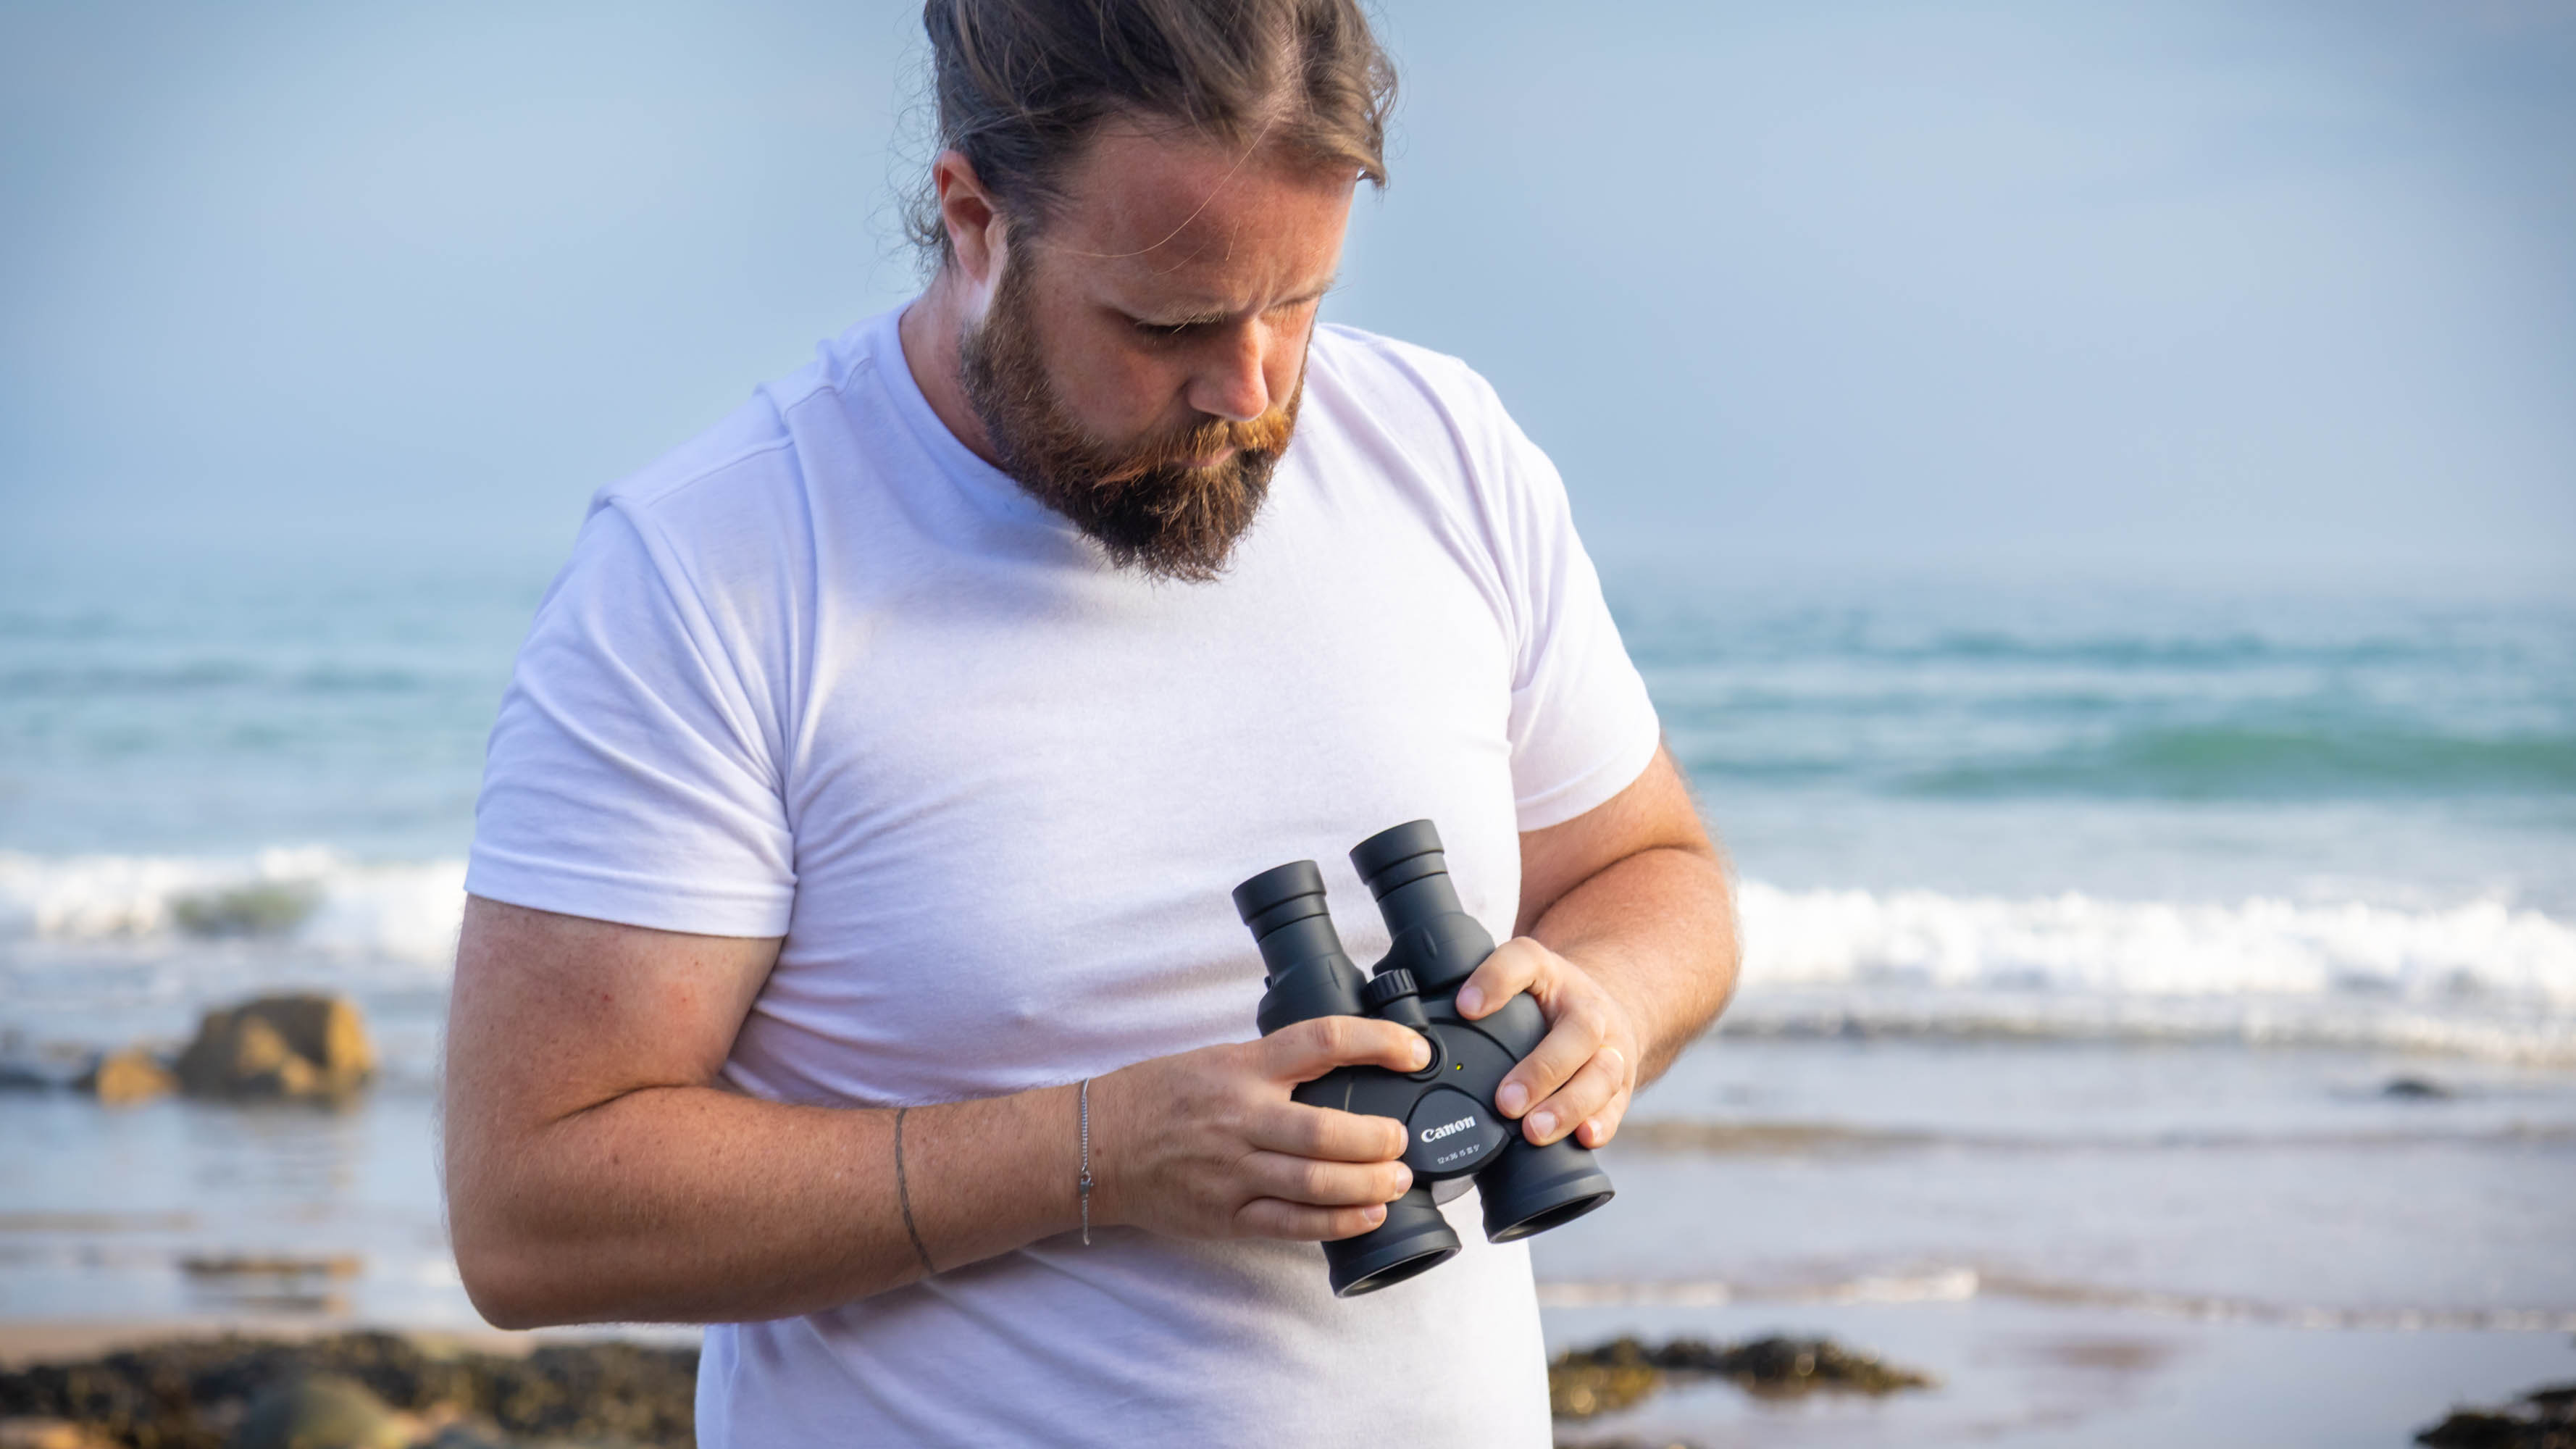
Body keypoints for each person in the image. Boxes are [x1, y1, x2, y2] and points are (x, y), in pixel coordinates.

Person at [440, 0, 1739, 1442]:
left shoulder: (1442, 448)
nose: (1251, 392)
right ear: (974, 219)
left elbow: (1654, 876)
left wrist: (1601, 1005)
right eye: (1167, 322)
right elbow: (532, 1212)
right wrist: (1099, 1152)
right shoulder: (711, 573)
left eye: (1299, 300)